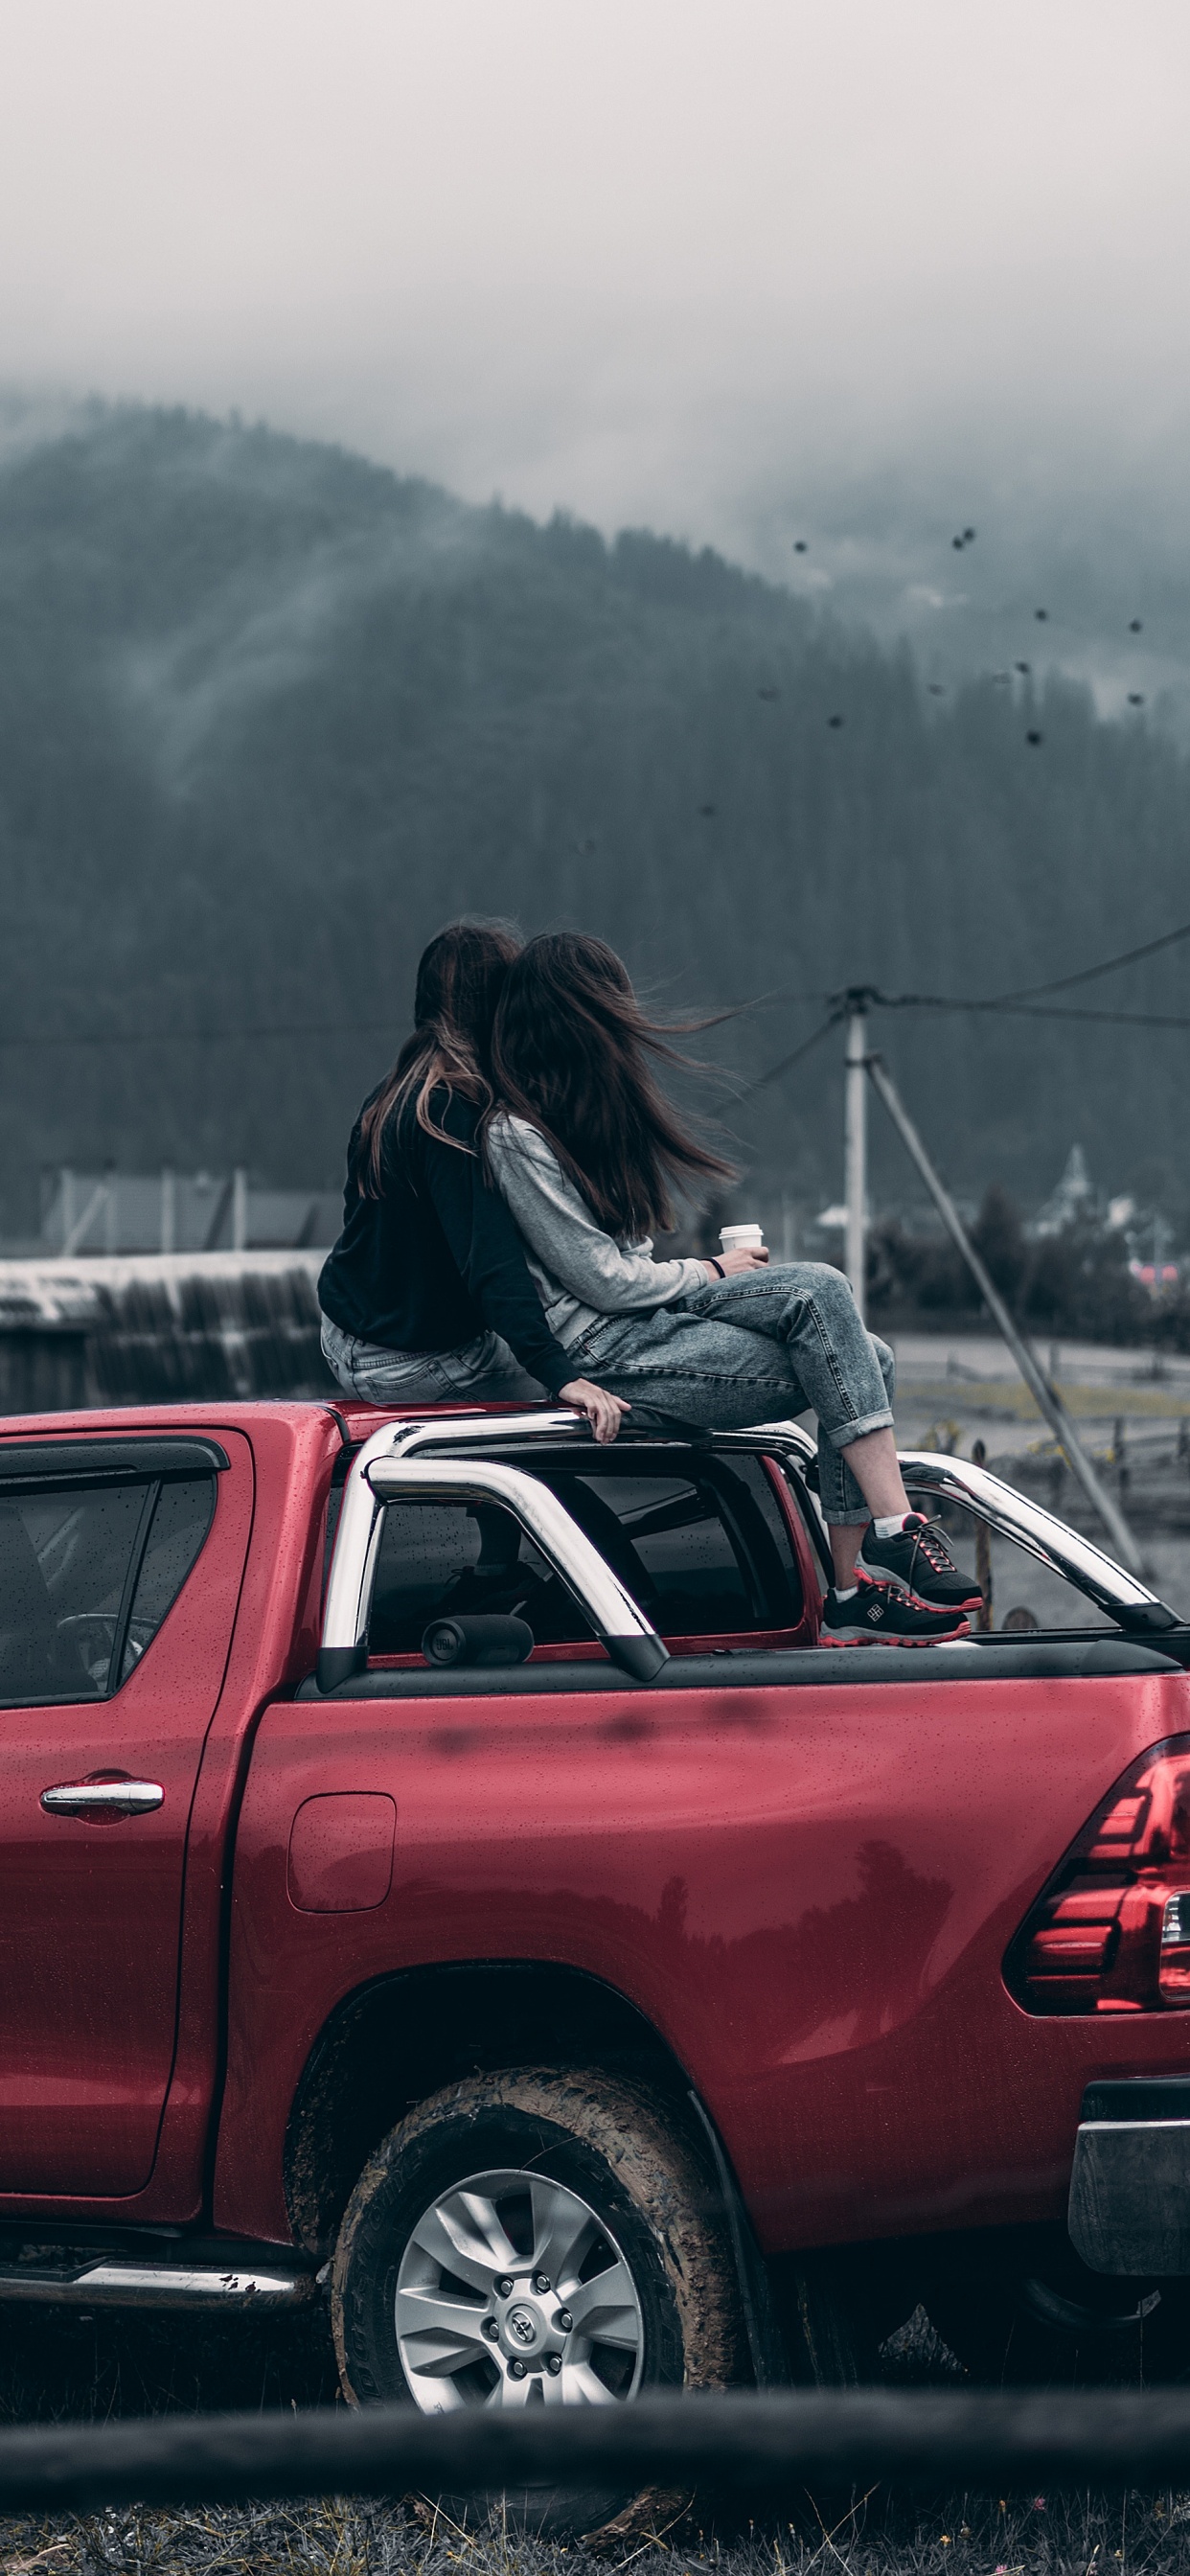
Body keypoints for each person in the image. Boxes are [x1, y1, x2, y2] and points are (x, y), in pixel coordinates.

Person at [487, 932, 981, 1645]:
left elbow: (625, 1262)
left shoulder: (586, 1116)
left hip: (646, 1313)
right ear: (573, 1018)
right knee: (845, 1336)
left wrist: (693, 1277)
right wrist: (712, 1272)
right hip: (602, 1346)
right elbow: (596, 1277)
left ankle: (855, 1579)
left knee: (848, 1333)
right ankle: (889, 1530)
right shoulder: (515, 1137)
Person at [317, 922, 625, 1442]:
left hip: (346, 1336)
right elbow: (492, 1263)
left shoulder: (391, 1095)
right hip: (411, 1362)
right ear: (496, 1009)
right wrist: (562, 1377)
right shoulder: (452, 1115)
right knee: (610, 1375)